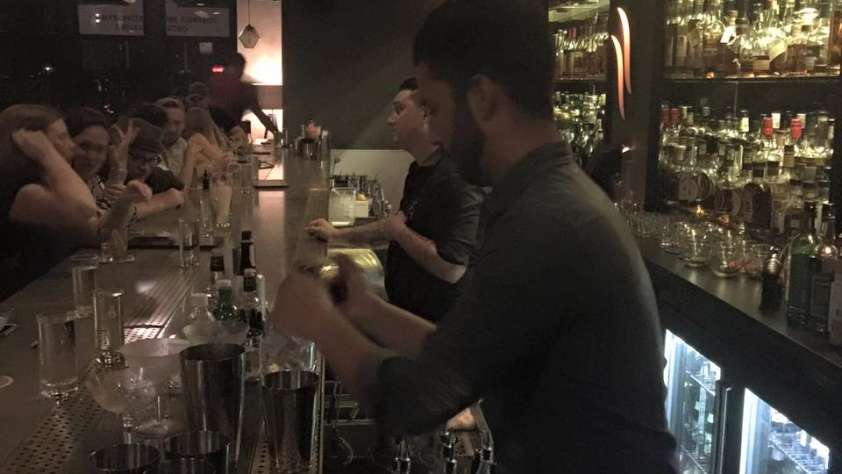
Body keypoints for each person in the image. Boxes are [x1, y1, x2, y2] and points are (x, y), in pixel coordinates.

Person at [268, 1, 678, 473]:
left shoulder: (547, 222)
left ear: (481, 98)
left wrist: (320, 322)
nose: (431, 127)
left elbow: (414, 401)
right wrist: (365, 309)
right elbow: (463, 351)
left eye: (432, 107)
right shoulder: (544, 196)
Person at [306, 78, 483, 323]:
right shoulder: (419, 170)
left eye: (399, 110)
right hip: (407, 312)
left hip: (436, 329)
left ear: (426, 114)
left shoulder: (458, 179)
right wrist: (337, 235)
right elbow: (392, 227)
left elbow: (452, 268)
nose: (390, 120)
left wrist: (398, 232)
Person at [0, 105, 149, 300]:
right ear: (32, 142)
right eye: (62, 138)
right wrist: (48, 154)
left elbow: (97, 231)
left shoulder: (49, 183)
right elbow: (86, 212)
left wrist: (124, 201)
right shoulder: (24, 189)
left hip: (47, 295)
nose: (71, 145)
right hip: (21, 306)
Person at [208, 53, 279, 135]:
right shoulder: (245, 89)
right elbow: (259, 114)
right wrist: (276, 133)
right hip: (230, 135)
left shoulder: (212, 82)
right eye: (240, 68)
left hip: (212, 135)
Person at [181, 107, 233, 189]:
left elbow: (223, 150)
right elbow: (222, 159)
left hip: (209, 185)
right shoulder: (196, 139)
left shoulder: (194, 144)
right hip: (200, 188)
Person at [155, 97, 188, 176]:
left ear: (184, 125)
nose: (172, 129)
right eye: (167, 122)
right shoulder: (145, 150)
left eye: (177, 123)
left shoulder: (187, 148)